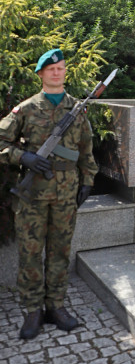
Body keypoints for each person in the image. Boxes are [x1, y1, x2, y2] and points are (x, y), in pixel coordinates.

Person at [0, 49, 96, 339]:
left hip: (66, 195)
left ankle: (56, 306)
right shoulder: (26, 109)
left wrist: (87, 180)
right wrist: (22, 157)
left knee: (60, 252)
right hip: (31, 196)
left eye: (61, 68)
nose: (56, 73)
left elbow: (86, 149)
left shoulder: (77, 110)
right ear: (41, 74)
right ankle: (33, 311)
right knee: (30, 253)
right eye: (51, 69)